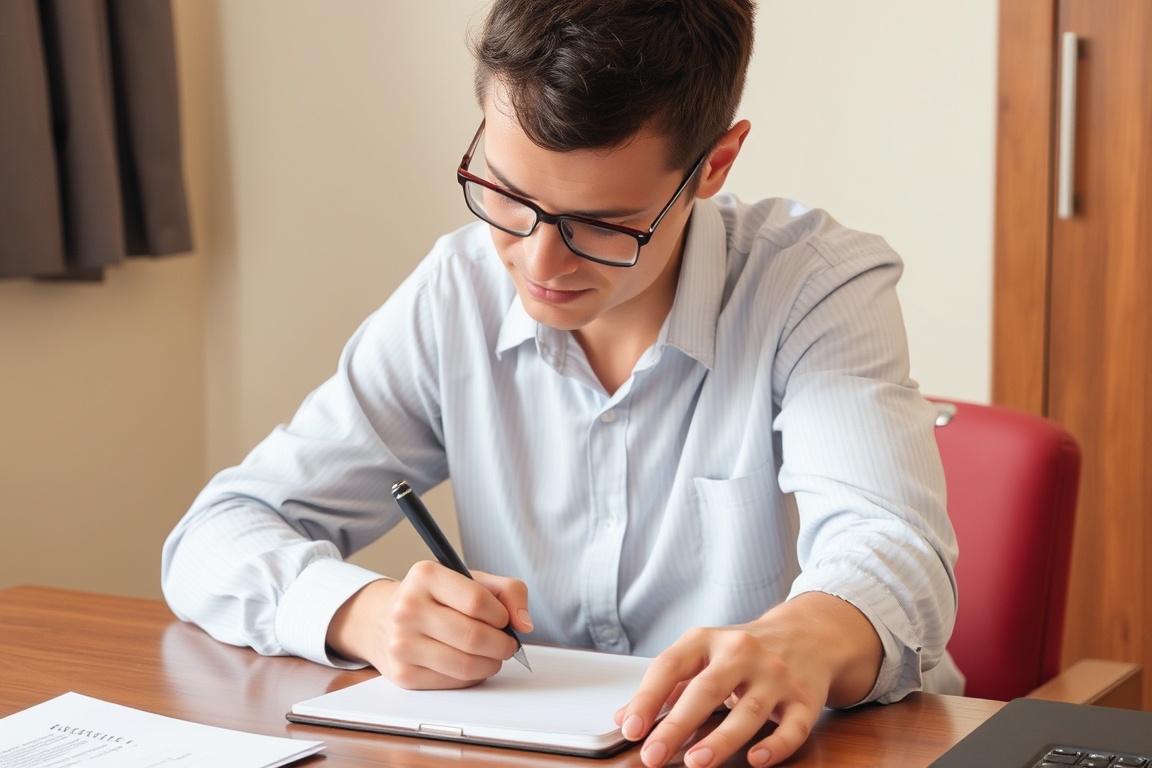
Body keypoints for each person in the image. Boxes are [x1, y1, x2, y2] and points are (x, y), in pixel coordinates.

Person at [162, 1, 962, 766]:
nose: (538, 265)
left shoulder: (813, 288)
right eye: (508, 196)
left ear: (714, 164)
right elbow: (218, 532)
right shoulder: (459, 291)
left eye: (604, 224)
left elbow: (891, 550)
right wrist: (360, 614)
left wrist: (811, 636)